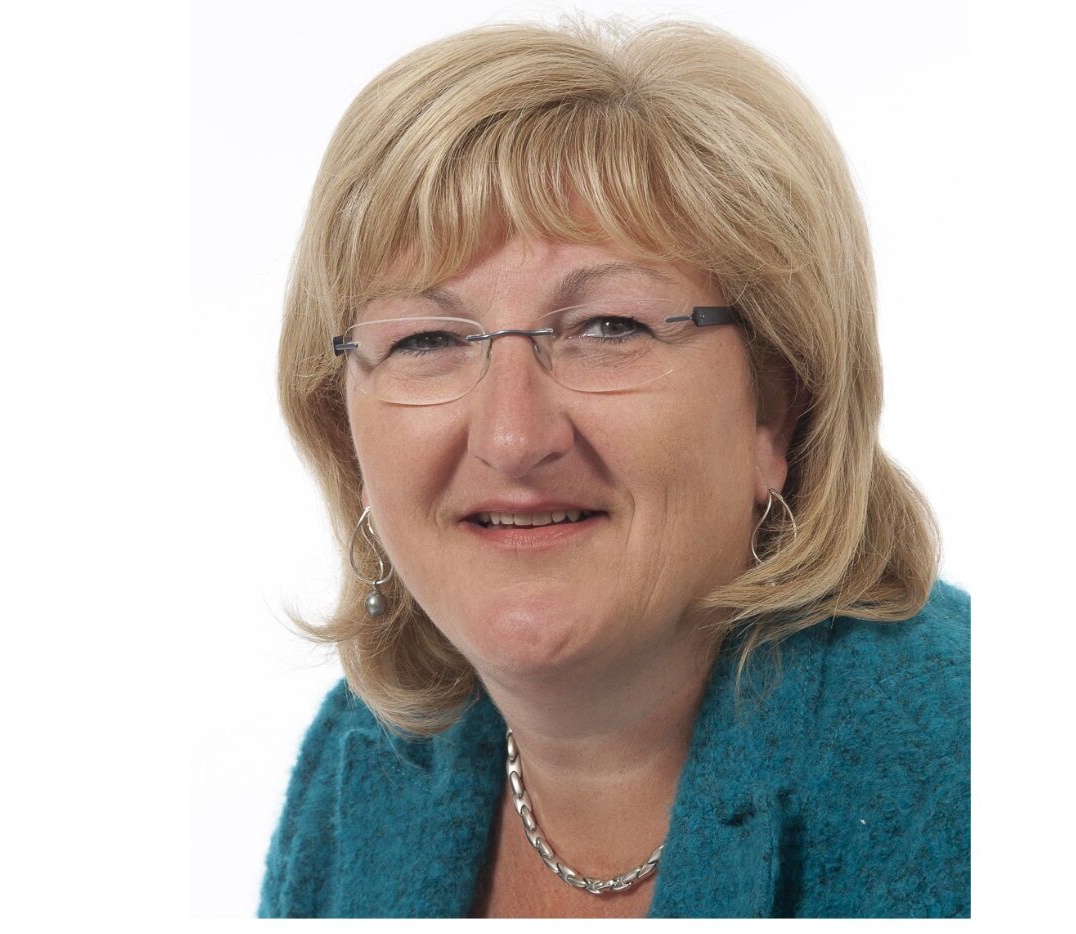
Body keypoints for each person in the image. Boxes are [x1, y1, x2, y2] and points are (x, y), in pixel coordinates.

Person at [259, 17, 968, 919]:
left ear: (777, 407)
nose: (512, 437)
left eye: (608, 328)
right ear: (344, 428)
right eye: (428, 339)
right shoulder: (371, 755)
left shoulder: (962, 768)